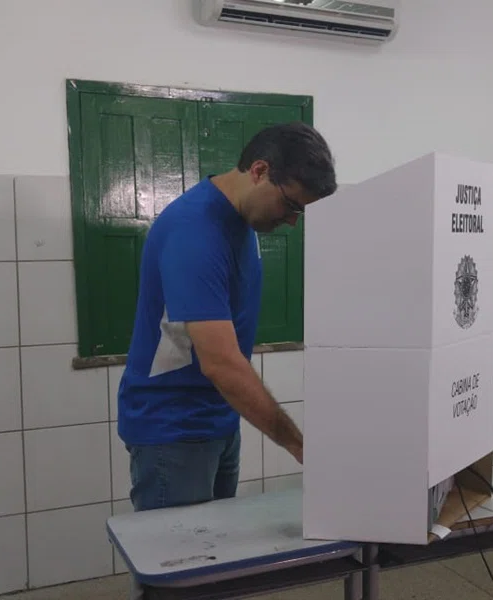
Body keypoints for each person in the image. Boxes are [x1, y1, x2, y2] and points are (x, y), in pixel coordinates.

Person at [117, 121, 338, 517]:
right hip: (173, 431)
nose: (292, 222)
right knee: (177, 567)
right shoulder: (195, 233)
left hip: (217, 420)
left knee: (216, 560)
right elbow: (220, 363)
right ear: (259, 171)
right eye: (291, 206)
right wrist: (298, 444)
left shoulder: (242, 220)